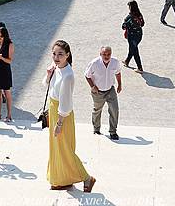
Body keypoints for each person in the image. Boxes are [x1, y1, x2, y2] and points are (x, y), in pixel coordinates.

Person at [45, 40, 96, 192]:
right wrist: (48, 75)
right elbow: (48, 86)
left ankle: (87, 178)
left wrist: (59, 124)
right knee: (56, 148)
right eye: (54, 54)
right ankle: (62, 179)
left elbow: (66, 102)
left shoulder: (68, 75)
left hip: (62, 115)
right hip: (54, 109)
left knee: (65, 149)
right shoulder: (56, 68)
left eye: (60, 54)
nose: (56, 57)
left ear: (67, 55)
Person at [84, 46, 122, 140]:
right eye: (104, 54)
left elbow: (118, 73)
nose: (106, 56)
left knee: (114, 110)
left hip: (110, 89)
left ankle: (113, 132)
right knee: (97, 110)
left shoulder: (115, 62)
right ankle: (96, 129)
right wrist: (93, 86)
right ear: (100, 54)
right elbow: (87, 75)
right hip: (98, 92)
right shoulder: (94, 63)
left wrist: (120, 84)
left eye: (108, 54)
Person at [0, 26, 14, 122]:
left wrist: (0, 56)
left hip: (5, 70)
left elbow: (9, 60)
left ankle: (9, 115)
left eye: (2, 36)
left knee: (7, 93)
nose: (0, 38)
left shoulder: (10, 44)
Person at [122, 0, 145, 73]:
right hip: (139, 35)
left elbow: (123, 26)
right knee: (133, 48)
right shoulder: (139, 14)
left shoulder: (129, 17)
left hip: (132, 36)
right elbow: (142, 24)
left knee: (135, 51)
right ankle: (127, 61)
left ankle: (140, 68)